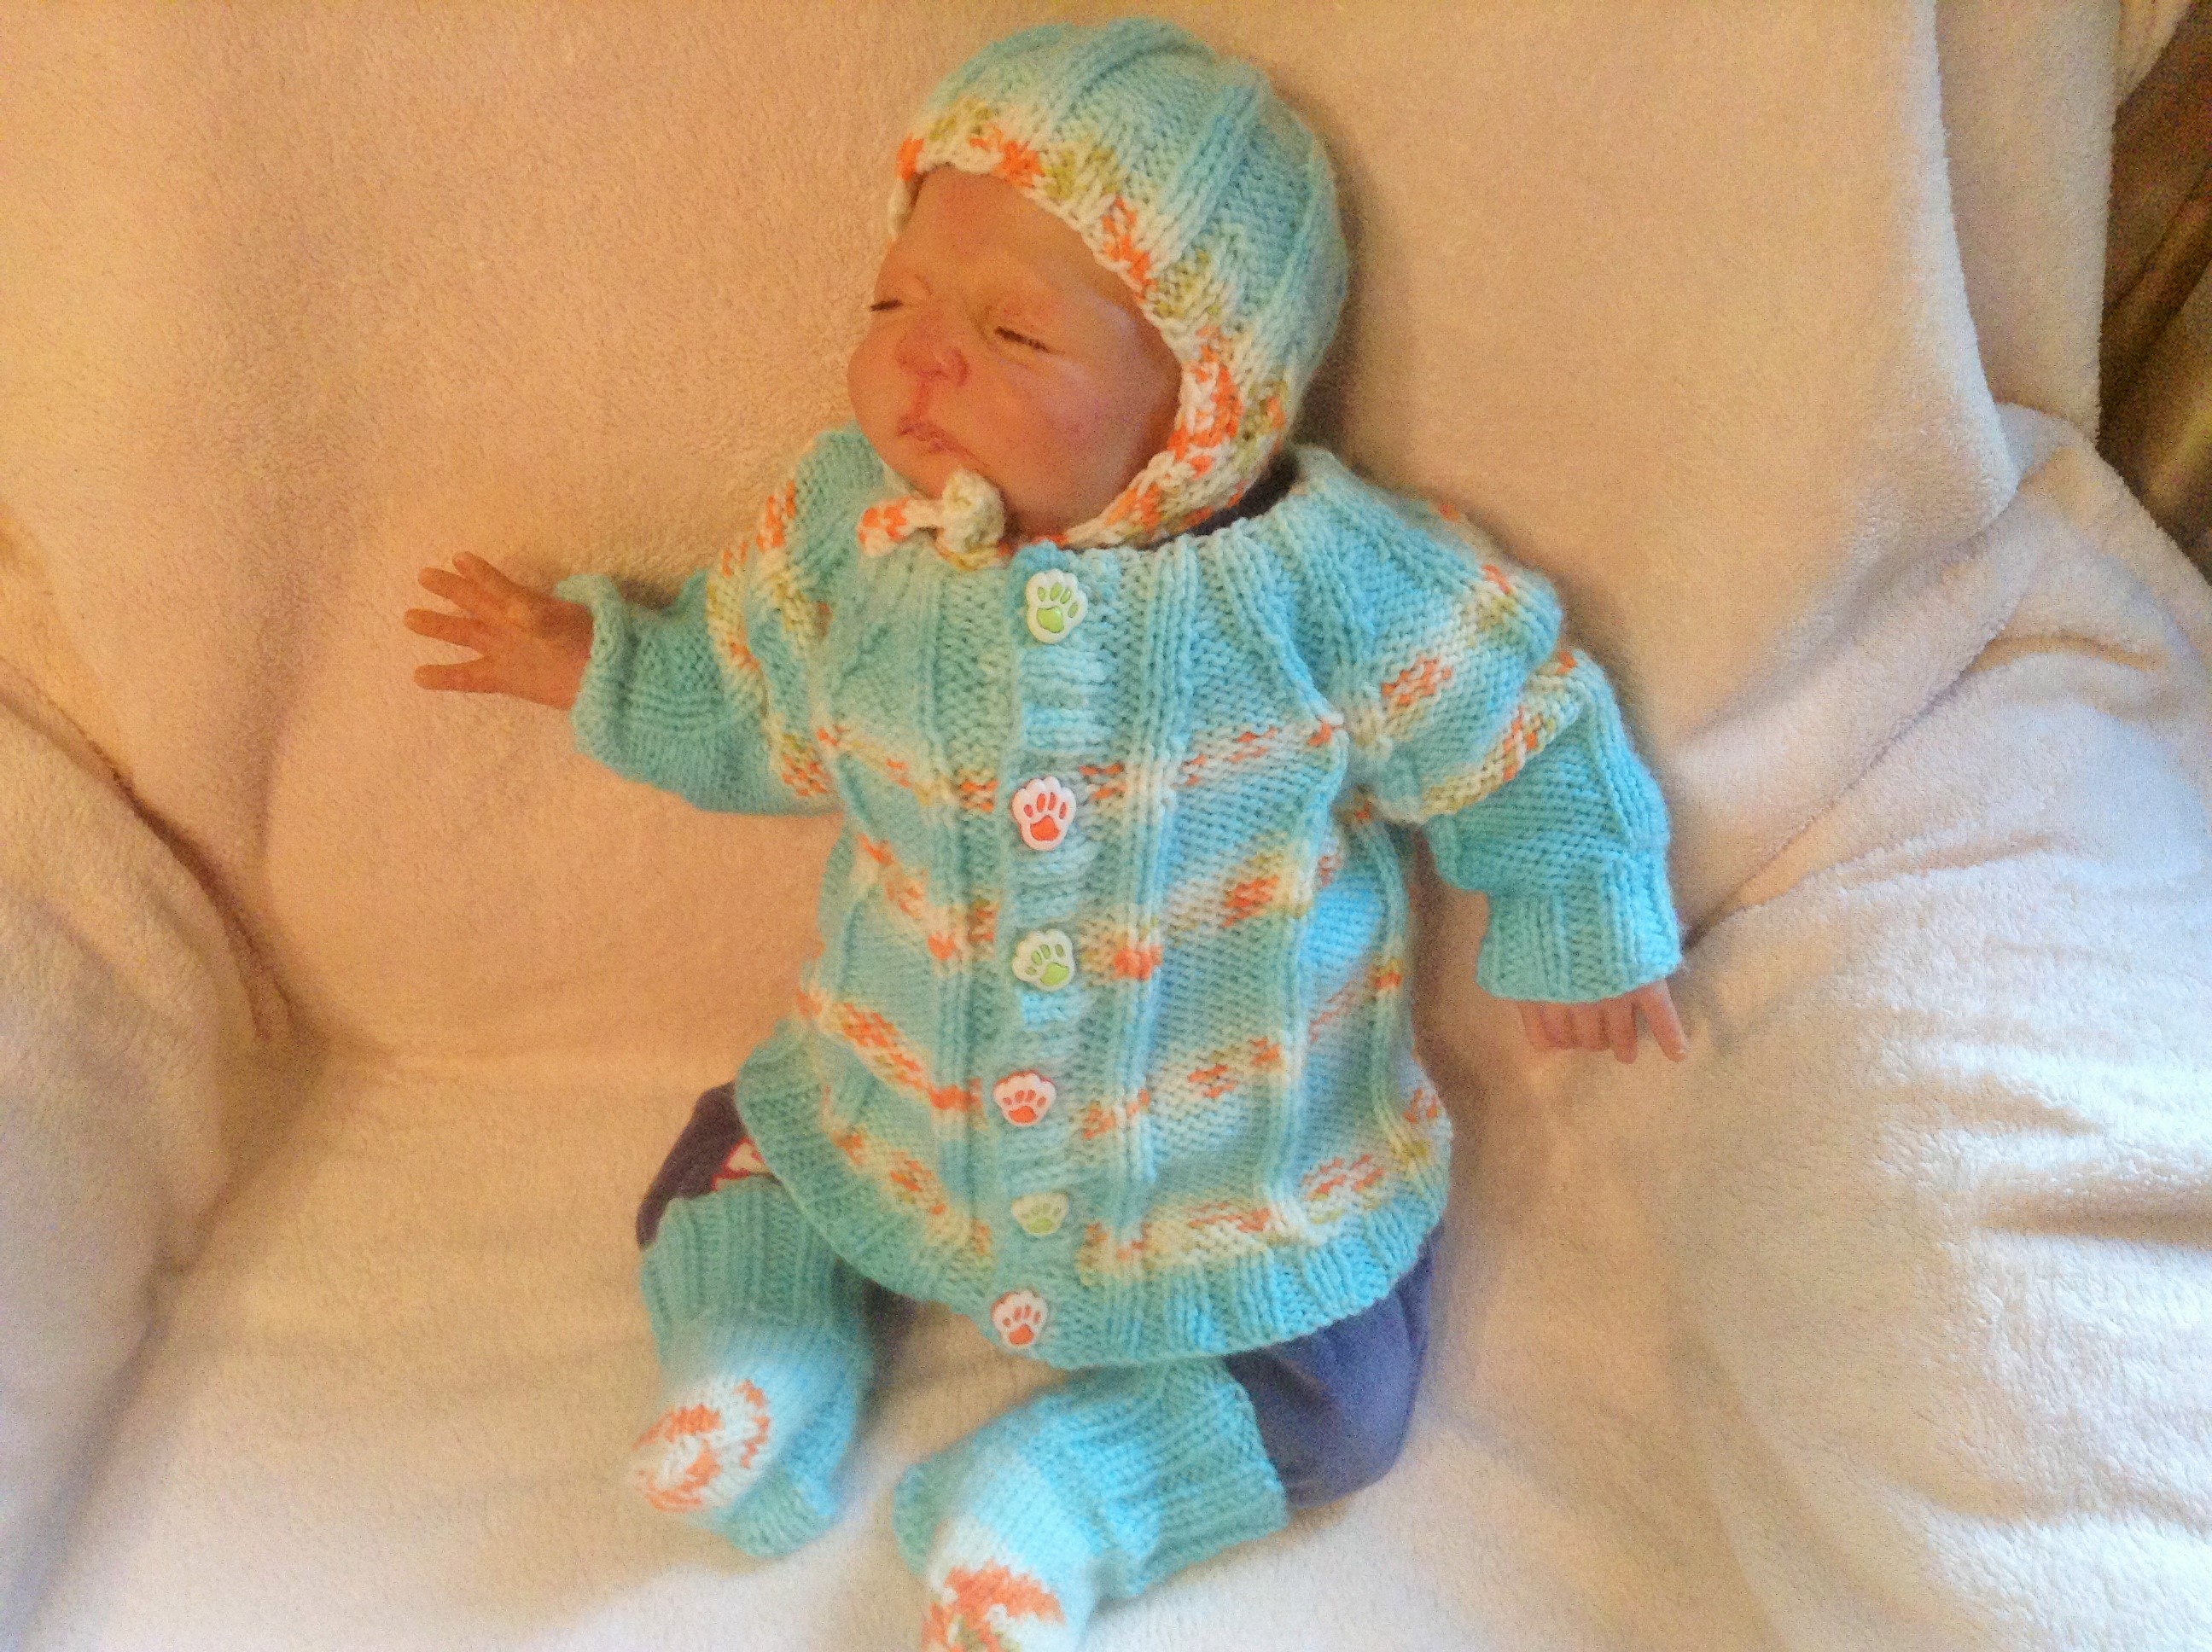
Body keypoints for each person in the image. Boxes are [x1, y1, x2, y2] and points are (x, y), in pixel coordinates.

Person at [405, 19, 1686, 1650]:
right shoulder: (852, 542)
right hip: (891, 1102)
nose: (922, 361)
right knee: (734, 1159)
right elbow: (750, 701)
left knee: (1347, 1399)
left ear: (1206, 390)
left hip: (1236, 1177)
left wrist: (1579, 905)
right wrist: (598, 664)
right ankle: (758, 1359)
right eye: (894, 305)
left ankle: (1063, 1497)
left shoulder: (1327, 587)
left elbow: (1520, 718)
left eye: (1012, 331)